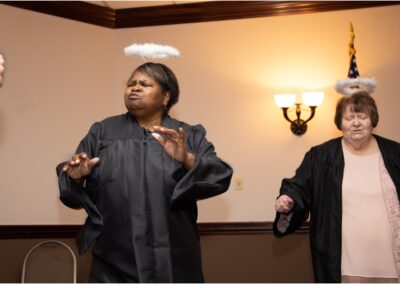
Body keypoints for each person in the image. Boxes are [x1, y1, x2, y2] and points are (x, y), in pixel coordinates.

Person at [57, 62, 233, 282]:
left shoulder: (187, 134)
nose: (135, 88)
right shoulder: (102, 132)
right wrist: (75, 177)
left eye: (145, 84)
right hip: (112, 257)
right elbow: (71, 189)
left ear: (166, 96)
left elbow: (220, 176)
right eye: (131, 83)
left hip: (172, 256)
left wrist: (187, 158)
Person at [273, 90, 400, 283]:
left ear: (372, 120)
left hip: (391, 258)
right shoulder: (320, 157)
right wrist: (288, 199)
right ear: (340, 123)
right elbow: (298, 187)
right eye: (349, 118)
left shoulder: (395, 153)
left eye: (362, 116)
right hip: (342, 259)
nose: (356, 123)